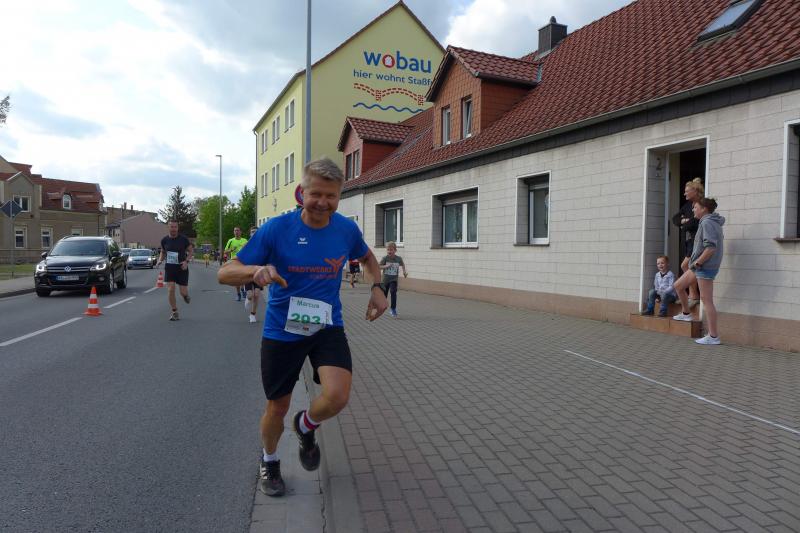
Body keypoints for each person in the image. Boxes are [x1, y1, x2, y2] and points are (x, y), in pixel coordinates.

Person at [217, 158, 388, 498]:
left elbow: (368, 258)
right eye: (316, 194)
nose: (323, 202)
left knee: (337, 396)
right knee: (277, 407)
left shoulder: (346, 229)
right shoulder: (276, 229)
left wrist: (377, 287)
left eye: (331, 196)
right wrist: (254, 271)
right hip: (283, 330)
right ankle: (270, 460)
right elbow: (225, 272)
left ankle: (305, 425)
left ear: (339, 196)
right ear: (302, 192)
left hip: (326, 324)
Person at [673, 198, 725, 345]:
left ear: (704, 209)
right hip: (699, 266)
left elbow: (711, 247)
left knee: (707, 301)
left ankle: (713, 336)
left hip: (704, 267)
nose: (693, 210)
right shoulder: (709, 222)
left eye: (695, 207)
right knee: (678, 286)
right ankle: (686, 313)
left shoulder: (708, 223)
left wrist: (698, 262)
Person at [672, 178, 704, 308]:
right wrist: (685, 221)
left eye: (687, 191)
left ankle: (693, 296)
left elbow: (693, 223)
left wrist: (685, 222)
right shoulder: (687, 206)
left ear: (695, 191)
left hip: (697, 242)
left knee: (686, 266)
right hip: (689, 242)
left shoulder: (701, 204)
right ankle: (692, 295)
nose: (684, 193)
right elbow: (675, 219)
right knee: (686, 266)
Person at [157, 220, 193, 321]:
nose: (173, 229)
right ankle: (174, 311)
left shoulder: (183, 239)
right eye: (171, 227)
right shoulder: (164, 240)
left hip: (182, 268)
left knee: (183, 292)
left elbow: (191, 251)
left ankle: (185, 296)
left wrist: (186, 261)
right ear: (168, 227)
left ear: (178, 228)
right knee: (171, 289)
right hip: (170, 268)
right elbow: (163, 252)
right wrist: (160, 260)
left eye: (175, 227)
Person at [379, 241, 408, 318]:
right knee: (384, 295)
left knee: (393, 292)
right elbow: (379, 266)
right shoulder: (385, 258)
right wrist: (386, 266)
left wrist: (404, 272)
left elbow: (402, 264)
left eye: (391, 250)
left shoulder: (398, 259)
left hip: (394, 279)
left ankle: (393, 309)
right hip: (385, 280)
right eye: (388, 249)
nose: (389, 251)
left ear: (395, 250)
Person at [243, 226, 264, 324]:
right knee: (250, 295)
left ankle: (252, 314)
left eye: (255, 231)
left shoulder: (263, 245)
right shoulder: (246, 245)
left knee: (257, 294)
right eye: (252, 231)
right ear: (250, 234)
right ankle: (247, 298)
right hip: (248, 273)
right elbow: (241, 258)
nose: (254, 233)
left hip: (259, 272)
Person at [224, 227, 249, 301]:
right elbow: (225, 251)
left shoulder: (245, 240)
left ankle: (243, 289)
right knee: (237, 279)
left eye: (237, 230)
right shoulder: (231, 241)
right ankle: (238, 294)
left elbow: (250, 249)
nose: (236, 232)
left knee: (243, 277)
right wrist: (231, 250)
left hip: (243, 261)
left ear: (241, 232)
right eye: (235, 230)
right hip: (234, 262)